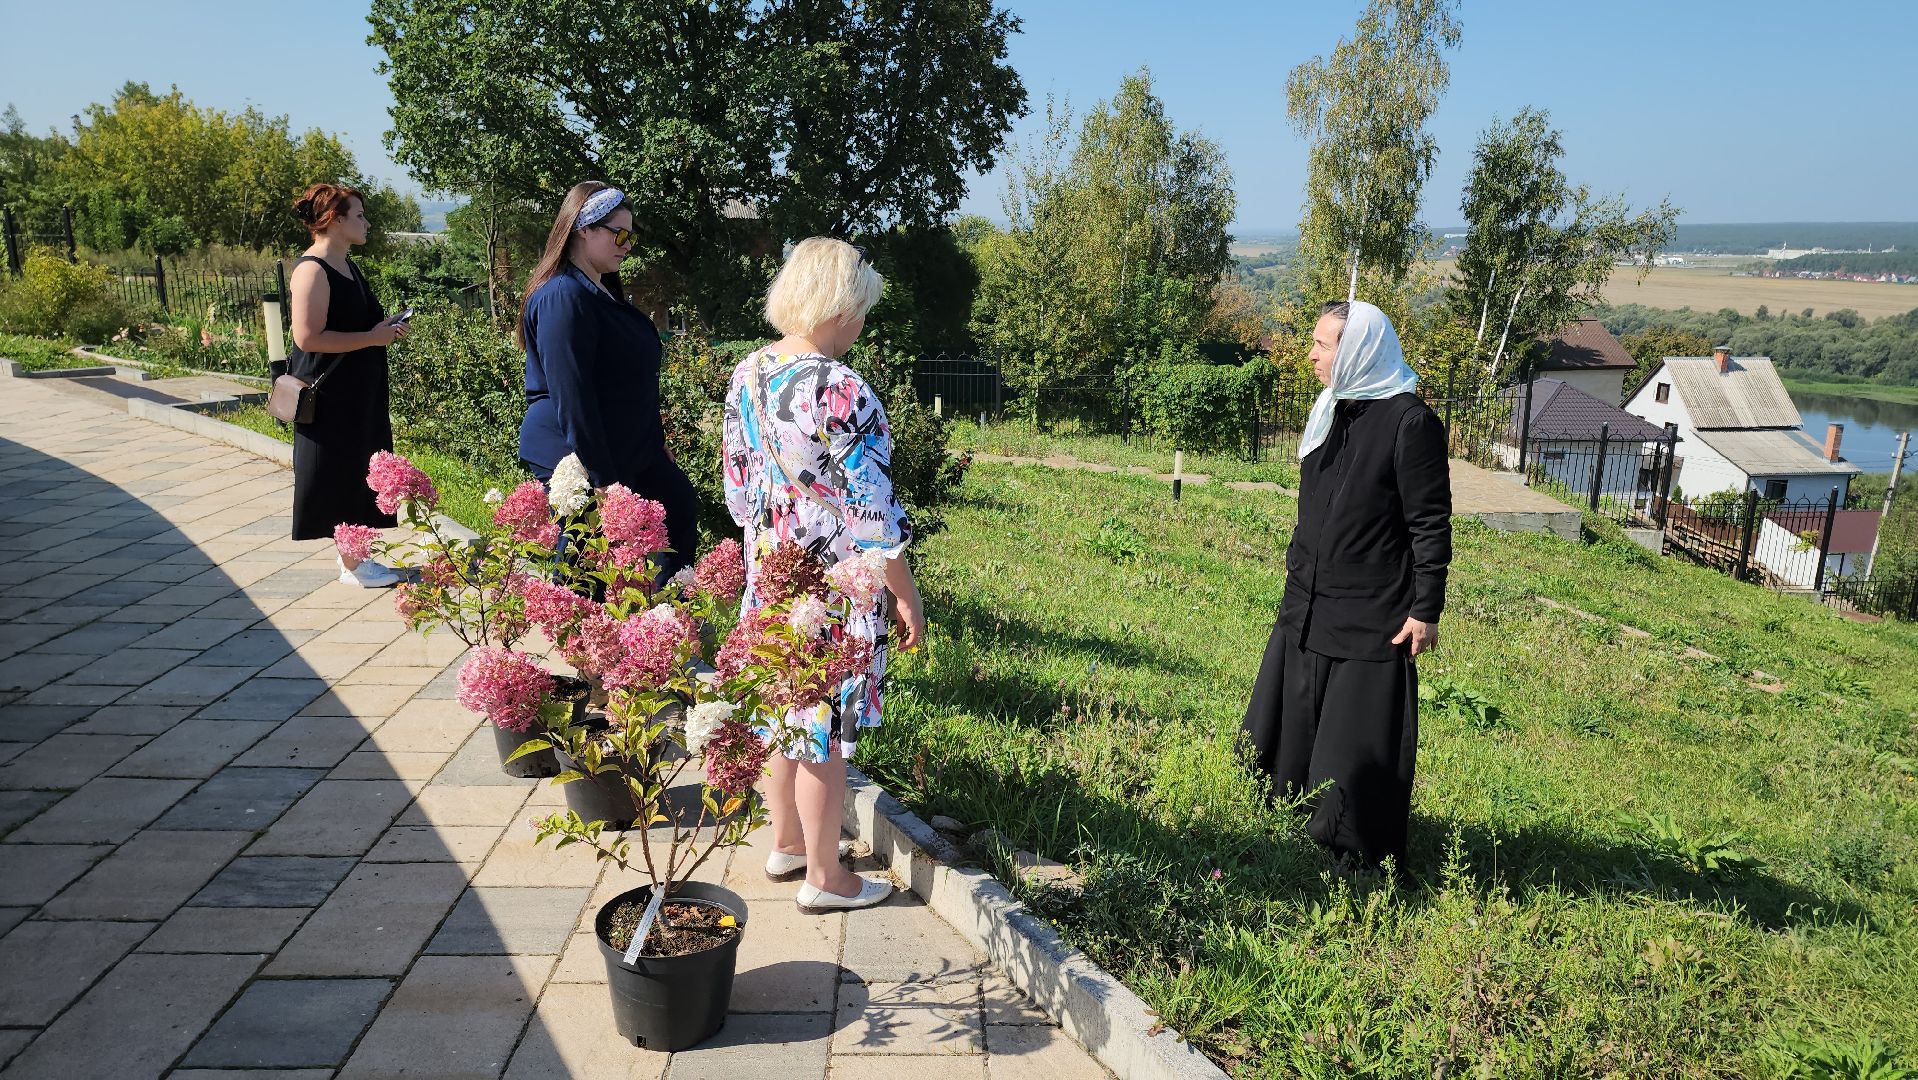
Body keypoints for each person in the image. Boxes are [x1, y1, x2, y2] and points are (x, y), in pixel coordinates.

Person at [722, 237, 927, 914]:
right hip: (834, 591)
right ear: (838, 306)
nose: (863, 323)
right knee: (824, 733)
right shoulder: (841, 389)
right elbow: (872, 514)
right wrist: (908, 596)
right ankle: (826, 877)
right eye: (861, 308)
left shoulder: (748, 375)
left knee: (785, 715)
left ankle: (784, 843)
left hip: (770, 576)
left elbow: (738, 495)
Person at [1242, 300, 1452, 872]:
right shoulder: (1333, 409)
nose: (1310, 353)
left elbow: (1429, 523)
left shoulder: (1411, 422)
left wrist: (1425, 608)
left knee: (1348, 743)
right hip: (1309, 602)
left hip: (1370, 614)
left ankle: (1347, 848)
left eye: (1323, 344)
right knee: (1292, 720)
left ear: (1357, 350)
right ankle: (1281, 812)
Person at [518, 181, 698, 582]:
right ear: (583, 229)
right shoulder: (563, 295)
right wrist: (602, 479)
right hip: (577, 452)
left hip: (629, 446)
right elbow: (572, 394)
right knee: (589, 563)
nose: (627, 245)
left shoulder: (599, 290)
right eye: (618, 233)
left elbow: (624, 380)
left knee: (676, 508)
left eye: (630, 236)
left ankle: (663, 626)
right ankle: (586, 636)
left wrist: (654, 440)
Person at [286, 183, 410, 586]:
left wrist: (381, 329)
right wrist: (371, 338)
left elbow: (352, 325)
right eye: (358, 215)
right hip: (330, 397)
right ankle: (356, 567)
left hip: (357, 394)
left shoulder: (347, 266)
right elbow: (307, 338)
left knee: (358, 471)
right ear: (335, 221)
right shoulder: (312, 270)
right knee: (340, 475)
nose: (367, 223)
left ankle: (354, 559)